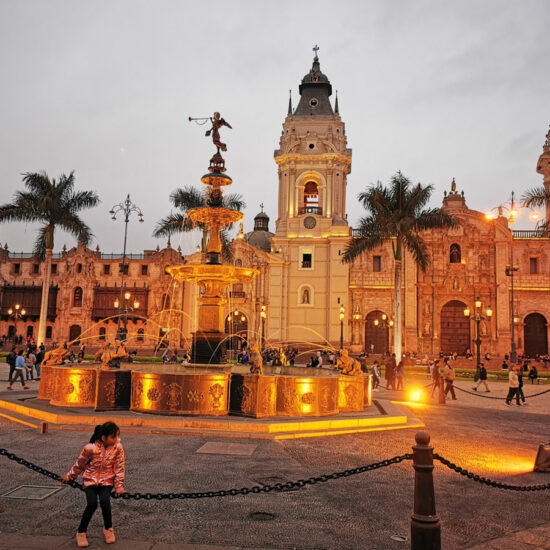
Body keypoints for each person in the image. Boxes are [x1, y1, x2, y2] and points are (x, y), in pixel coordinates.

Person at [61, 422, 125, 548]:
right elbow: (79, 464)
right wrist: (69, 476)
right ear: (103, 438)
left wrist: (118, 485)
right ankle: (81, 532)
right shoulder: (90, 448)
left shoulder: (118, 448)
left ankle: (108, 529)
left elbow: (119, 466)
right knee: (92, 504)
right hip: (90, 480)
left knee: (105, 502)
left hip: (107, 481)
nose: (116, 439)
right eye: (113, 437)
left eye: (117, 436)